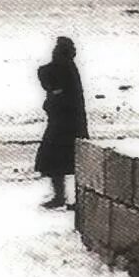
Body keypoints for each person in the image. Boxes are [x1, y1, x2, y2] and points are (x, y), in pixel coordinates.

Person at [34, 36, 88, 210]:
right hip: (69, 123)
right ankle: (67, 198)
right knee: (70, 161)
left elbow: (45, 75)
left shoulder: (63, 68)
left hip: (63, 124)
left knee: (56, 160)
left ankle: (61, 197)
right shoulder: (68, 68)